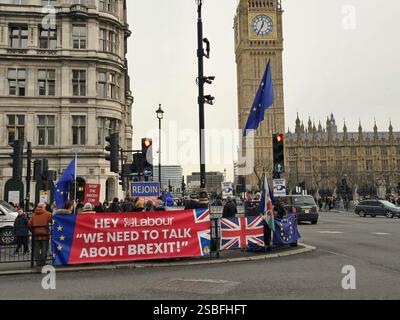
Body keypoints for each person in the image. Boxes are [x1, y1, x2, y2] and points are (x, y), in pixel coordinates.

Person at [29, 203, 52, 267]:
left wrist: (33, 230)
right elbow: (52, 221)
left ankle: (38, 262)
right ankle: (43, 262)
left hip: (36, 234)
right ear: (43, 207)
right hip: (45, 233)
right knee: (44, 248)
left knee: (36, 249)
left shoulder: (34, 214)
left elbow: (29, 224)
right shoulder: (48, 214)